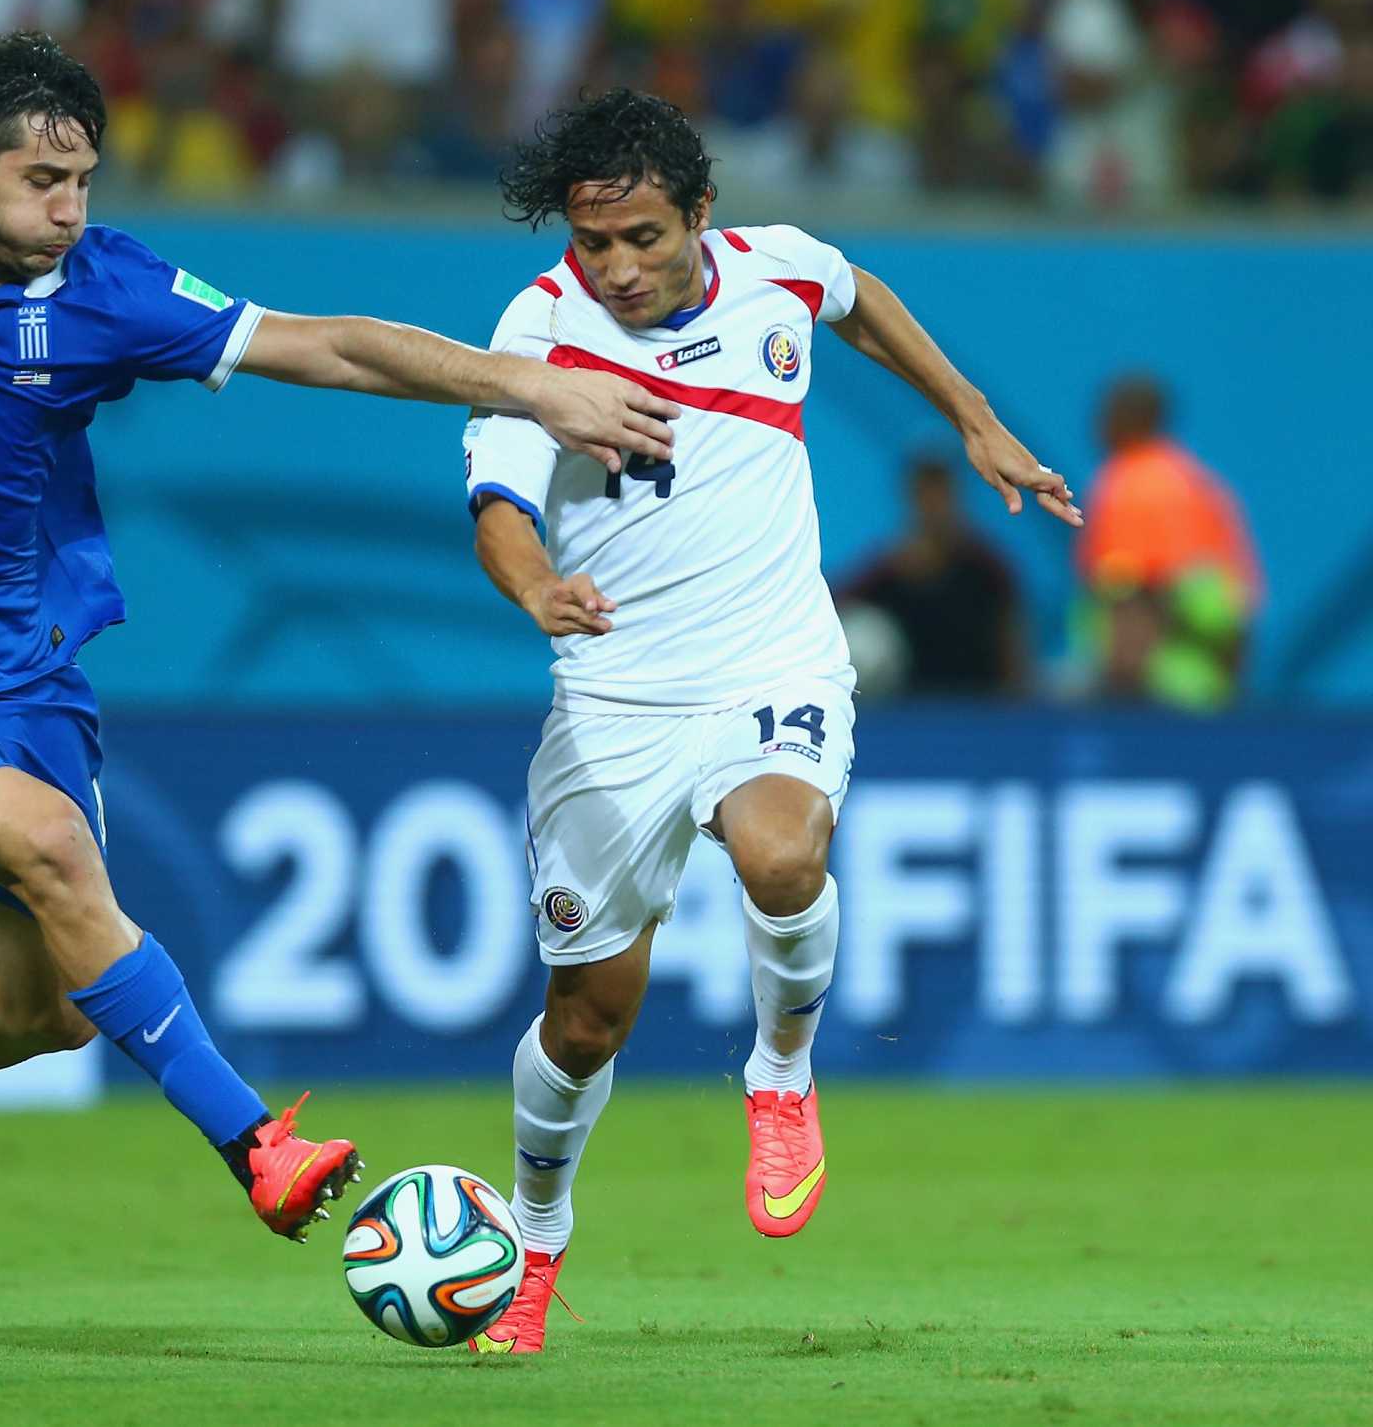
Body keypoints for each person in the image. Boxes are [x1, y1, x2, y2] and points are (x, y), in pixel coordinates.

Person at [0, 33, 676, 1246]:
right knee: (48, 843)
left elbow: (327, 343)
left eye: (85, 180)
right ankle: (258, 1143)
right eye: (43, 182)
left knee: (51, 1011)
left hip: (20, 679)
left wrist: (526, 384)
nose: (69, 208)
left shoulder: (103, 293)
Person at [460, 88, 1079, 1353]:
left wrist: (974, 421)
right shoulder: (537, 328)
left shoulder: (775, 270)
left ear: (700, 213)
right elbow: (498, 505)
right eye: (595, 244)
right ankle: (532, 1236)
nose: (619, 268)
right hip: (616, 698)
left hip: (770, 657)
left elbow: (859, 296)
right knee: (586, 1021)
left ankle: (781, 1072)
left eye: (643, 236)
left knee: (782, 851)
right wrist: (536, 589)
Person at [1076, 374, 1260, 709]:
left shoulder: (1126, 483)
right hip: (1211, 681)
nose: (1098, 425)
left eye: (1107, 413)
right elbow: (1239, 604)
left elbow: (1132, 594)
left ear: (1133, 419)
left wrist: (1121, 686)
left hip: (1152, 687)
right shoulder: (1201, 483)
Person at [838, 455, 1028, 696]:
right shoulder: (885, 572)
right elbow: (836, 608)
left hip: (979, 711)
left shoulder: (988, 570)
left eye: (940, 491)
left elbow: (1014, 653)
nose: (933, 504)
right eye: (925, 492)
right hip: (904, 717)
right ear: (911, 498)